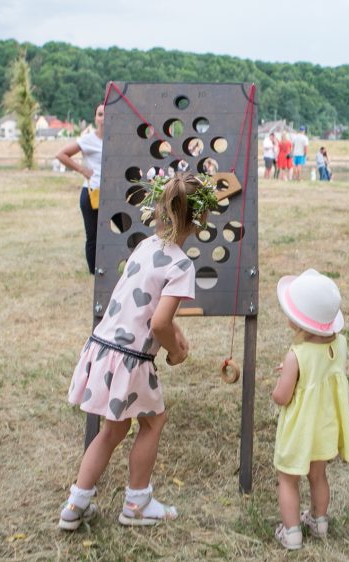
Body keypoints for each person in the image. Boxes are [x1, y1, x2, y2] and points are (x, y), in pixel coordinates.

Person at [59, 173, 218, 531]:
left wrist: (173, 331)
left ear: (160, 210)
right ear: (199, 220)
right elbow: (159, 322)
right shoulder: (181, 265)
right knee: (153, 421)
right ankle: (137, 503)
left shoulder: (146, 246)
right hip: (132, 358)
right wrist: (175, 351)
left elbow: (140, 304)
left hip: (105, 346)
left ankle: (76, 503)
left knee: (112, 430)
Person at [272, 269, 349, 550]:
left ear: (299, 321)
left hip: (300, 429)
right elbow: (322, 371)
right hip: (324, 426)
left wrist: (279, 385)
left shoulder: (296, 354)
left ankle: (291, 532)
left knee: (287, 478)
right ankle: (319, 521)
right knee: (318, 475)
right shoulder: (340, 344)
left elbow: (283, 397)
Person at [56, 104, 105, 275]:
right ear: (95, 118)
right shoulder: (88, 140)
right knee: (93, 235)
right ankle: (94, 272)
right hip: (92, 192)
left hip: (113, 195)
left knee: (121, 231)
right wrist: (82, 170)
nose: (103, 118)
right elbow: (61, 154)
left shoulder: (117, 139)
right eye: (100, 114)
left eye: (107, 114)